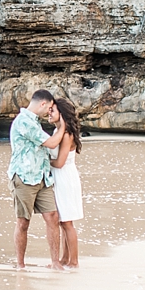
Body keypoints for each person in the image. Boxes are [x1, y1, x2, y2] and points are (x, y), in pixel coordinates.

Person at [7, 89, 65, 270]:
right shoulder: (24, 122)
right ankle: (20, 264)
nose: (49, 112)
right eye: (49, 108)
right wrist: (64, 126)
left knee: (53, 217)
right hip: (24, 178)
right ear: (43, 104)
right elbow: (51, 143)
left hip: (42, 178)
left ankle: (55, 262)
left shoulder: (33, 122)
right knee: (23, 222)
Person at [47, 97, 84, 268]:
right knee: (63, 221)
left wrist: (44, 162)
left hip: (65, 177)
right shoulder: (59, 132)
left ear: (61, 114)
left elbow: (60, 162)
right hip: (60, 177)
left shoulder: (66, 134)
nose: (49, 112)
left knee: (67, 222)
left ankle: (74, 261)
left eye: (53, 110)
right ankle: (64, 259)